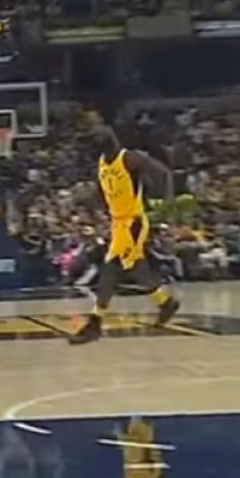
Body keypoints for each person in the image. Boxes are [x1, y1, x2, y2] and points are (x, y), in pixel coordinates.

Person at [69, 126, 181, 345]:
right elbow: (103, 191)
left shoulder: (130, 158)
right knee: (135, 269)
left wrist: (168, 203)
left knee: (111, 270)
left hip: (133, 223)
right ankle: (165, 303)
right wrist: (93, 206)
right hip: (118, 224)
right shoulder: (102, 164)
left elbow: (164, 173)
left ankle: (95, 324)